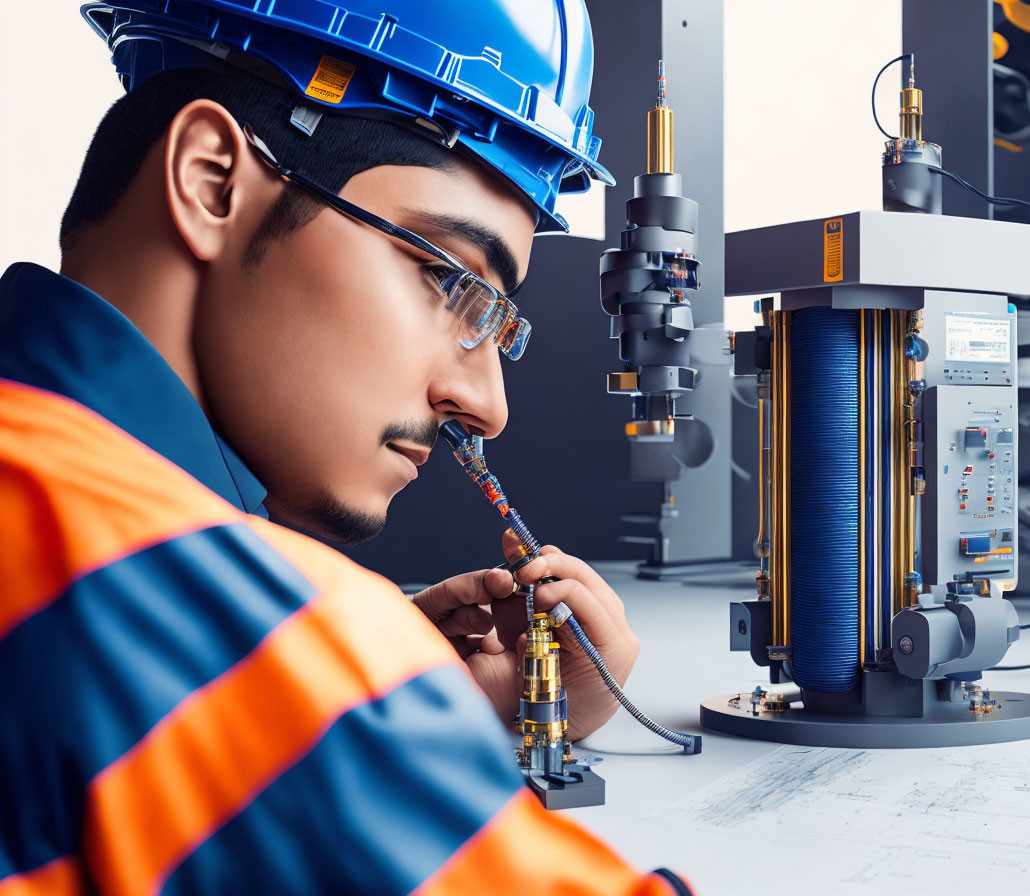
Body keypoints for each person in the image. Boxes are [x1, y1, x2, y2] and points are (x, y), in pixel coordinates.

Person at [0, 1, 691, 893]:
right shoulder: (244, 636)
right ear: (212, 181)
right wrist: (371, 703)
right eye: (448, 280)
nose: (485, 405)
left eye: (497, 325)